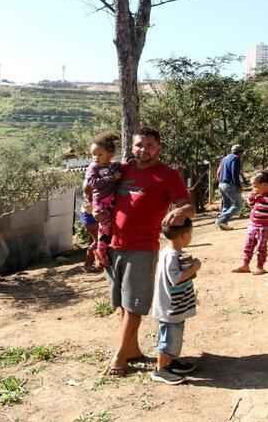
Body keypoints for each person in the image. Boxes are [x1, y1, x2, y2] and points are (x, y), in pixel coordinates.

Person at [105, 127, 195, 376]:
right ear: (131, 147)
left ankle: (120, 358)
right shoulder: (122, 171)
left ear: (159, 148)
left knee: (134, 306)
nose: (143, 150)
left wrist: (178, 212)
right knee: (123, 305)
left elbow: (189, 207)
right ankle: (132, 350)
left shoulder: (168, 175)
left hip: (142, 249)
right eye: (138, 145)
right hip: (113, 247)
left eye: (149, 145)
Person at [150, 219, 201, 385]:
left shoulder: (172, 253)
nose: (191, 236)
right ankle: (160, 369)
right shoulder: (171, 255)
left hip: (176, 306)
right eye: (190, 233)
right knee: (168, 339)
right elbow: (176, 279)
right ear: (183, 235)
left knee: (175, 336)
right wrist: (194, 267)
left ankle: (171, 362)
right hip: (169, 308)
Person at [232, 171, 268, 275]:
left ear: (265, 185)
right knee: (248, 245)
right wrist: (251, 198)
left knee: (261, 247)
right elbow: (251, 204)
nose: (254, 189)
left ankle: (260, 267)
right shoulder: (257, 194)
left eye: (255, 186)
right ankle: (245, 265)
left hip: (265, 226)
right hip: (253, 224)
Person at [83, 132, 122, 267]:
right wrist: (110, 178)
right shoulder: (93, 168)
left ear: (110, 154)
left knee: (110, 227)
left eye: (99, 154)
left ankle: (106, 250)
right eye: (93, 154)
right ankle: (100, 252)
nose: (95, 158)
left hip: (111, 201)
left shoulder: (112, 166)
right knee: (104, 228)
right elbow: (92, 183)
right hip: (100, 203)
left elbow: (120, 168)